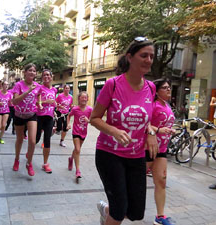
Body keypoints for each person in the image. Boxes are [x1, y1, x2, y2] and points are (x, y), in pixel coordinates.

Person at [90, 37, 158, 225]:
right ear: (130, 57)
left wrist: (151, 133)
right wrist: (113, 131)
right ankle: (112, 212)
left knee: (136, 213)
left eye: (151, 56)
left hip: (136, 156)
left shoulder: (151, 88)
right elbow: (94, 118)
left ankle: (106, 210)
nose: (149, 60)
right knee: (119, 211)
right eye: (143, 55)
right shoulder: (113, 84)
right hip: (109, 154)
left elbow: (146, 119)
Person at [146, 78, 176, 225]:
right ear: (157, 91)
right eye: (165, 88)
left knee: (161, 181)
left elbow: (165, 123)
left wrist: (170, 130)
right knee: (132, 183)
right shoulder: (152, 105)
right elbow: (144, 123)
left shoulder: (167, 105)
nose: (169, 89)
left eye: (169, 87)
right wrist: (158, 129)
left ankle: (160, 216)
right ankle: (110, 209)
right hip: (147, 148)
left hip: (162, 149)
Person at [11, 63, 40, 176]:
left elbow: (39, 97)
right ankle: (17, 159)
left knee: (32, 141)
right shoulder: (18, 85)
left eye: (34, 71)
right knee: (20, 140)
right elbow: (15, 101)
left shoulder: (37, 86)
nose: (32, 72)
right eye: (30, 70)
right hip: (19, 115)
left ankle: (29, 163)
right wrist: (28, 91)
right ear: (25, 72)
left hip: (32, 115)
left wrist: (41, 104)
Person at [66, 91, 92, 179]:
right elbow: (68, 116)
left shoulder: (90, 109)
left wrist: (89, 120)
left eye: (85, 97)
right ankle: (77, 170)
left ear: (87, 99)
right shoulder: (75, 109)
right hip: (76, 132)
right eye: (82, 97)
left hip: (84, 132)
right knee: (77, 149)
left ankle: (71, 159)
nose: (84, 99)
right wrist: (68, 124)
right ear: (79, 99)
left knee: (77, 150)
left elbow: (94, 119)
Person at [36, 69, 57, 173]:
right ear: (42, 77)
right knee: (35, 139)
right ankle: (29, 152)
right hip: (39, 116)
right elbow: (35, 102)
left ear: (51, 77)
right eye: (44, 75)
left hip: (49, 117)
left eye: (48, 75)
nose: (46, 77)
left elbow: (53, 103)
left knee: (47, 140)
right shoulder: (39, 88)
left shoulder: (54, 90)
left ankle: (45, 163)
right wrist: (45, 102)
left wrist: (56, 106)